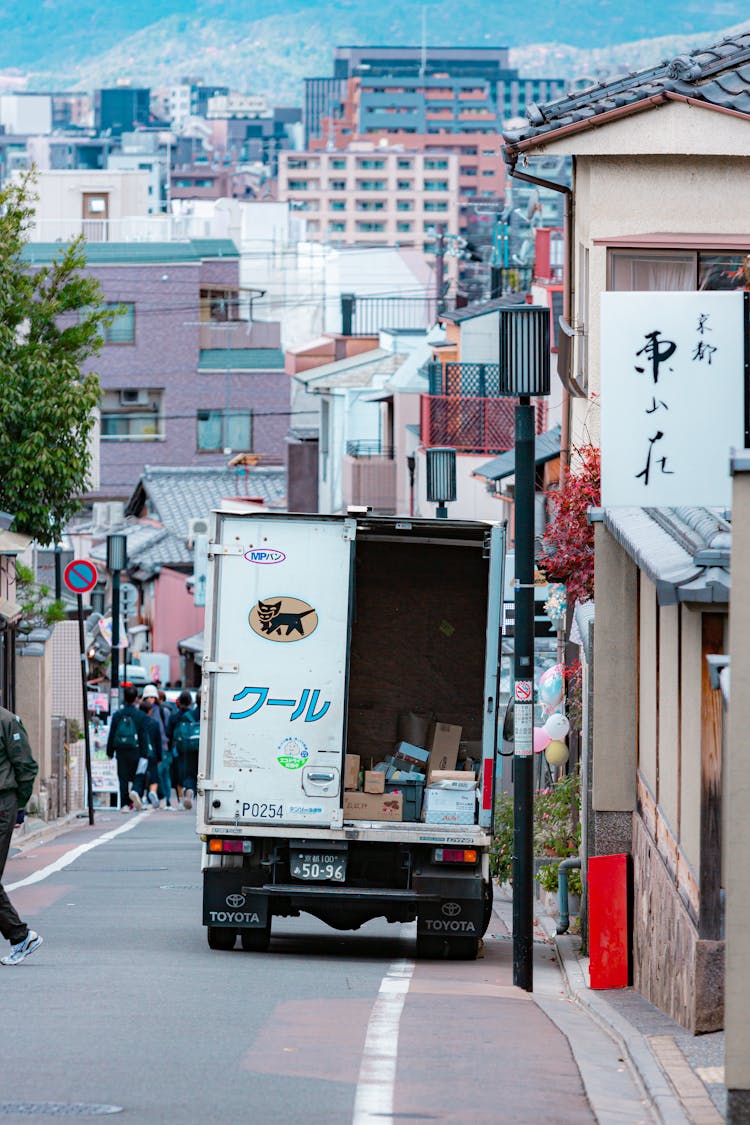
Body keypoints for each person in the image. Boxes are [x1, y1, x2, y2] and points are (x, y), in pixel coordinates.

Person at [0, 707, 43, 966]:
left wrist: (18, 806)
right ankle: (20, 936)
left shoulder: (7, 721)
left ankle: (21, 936)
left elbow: (26, 766)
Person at [107, 685, 150, 811]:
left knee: (123, 777)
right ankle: (136, 791)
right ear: (136, 698)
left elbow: (112, 734)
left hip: (121, 750)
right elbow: (143, 735)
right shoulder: (141, 716)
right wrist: (145, 753)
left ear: (124, 698)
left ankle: (125, 804)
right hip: (136, 750)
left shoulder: (117, 715)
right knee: (139, 774)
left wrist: (110, 751)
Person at [167, 691, 199, 810]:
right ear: (191, 702)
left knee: (179, 774)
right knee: (194, 773)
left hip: (179, 749)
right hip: (197, 747)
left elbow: (168, 733)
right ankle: (190, 793)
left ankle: (181, 799)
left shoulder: (174, 716)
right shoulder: (194, 715)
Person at [132, 696, 163, 809]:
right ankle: (153, 792)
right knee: (153, 775)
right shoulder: (154, 723)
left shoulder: (136, 720)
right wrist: (159, 757)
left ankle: (137, 793)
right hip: (152, 753)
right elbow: (158, 741)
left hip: (138, 752)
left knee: (140, 775)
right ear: (149, 711)